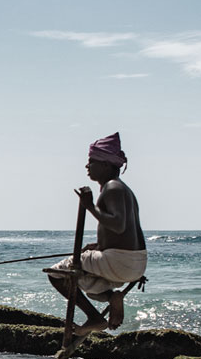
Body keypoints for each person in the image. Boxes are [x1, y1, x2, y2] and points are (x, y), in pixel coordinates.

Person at [48, 132, 146, 336]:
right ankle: (112, 297)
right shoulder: (124, 190)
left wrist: (90, 206)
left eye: (91, 161)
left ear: (106, 164)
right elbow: (124, 232)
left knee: (57, 274)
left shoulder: (112, 187)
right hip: (135, 263)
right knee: (90, 286)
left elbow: (118, 225)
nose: (87, 166)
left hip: (119, 261)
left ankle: (94, 318)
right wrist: (100, 245)